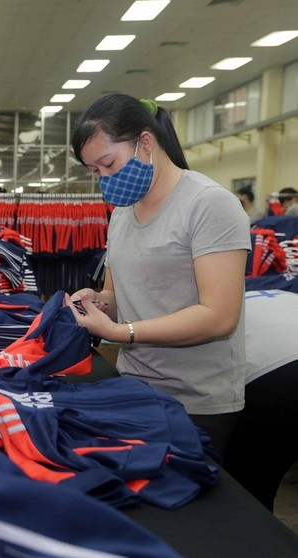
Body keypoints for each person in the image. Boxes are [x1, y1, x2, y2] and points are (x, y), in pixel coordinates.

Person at [67, 94, 250, 457]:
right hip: (135, 387)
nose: (104, 179)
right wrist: (98, 303)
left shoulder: (208, 204)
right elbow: (119, 296)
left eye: (108, 164)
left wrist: (122, 334)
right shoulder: (122, 213)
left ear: (145, 143)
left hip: (195, 401)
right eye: (95, 172)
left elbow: (219, 317)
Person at [223, 289, 298, 511]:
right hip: (279, 367)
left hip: (278, 374)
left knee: (249, 485)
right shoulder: (281, 294)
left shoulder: (218, 306)